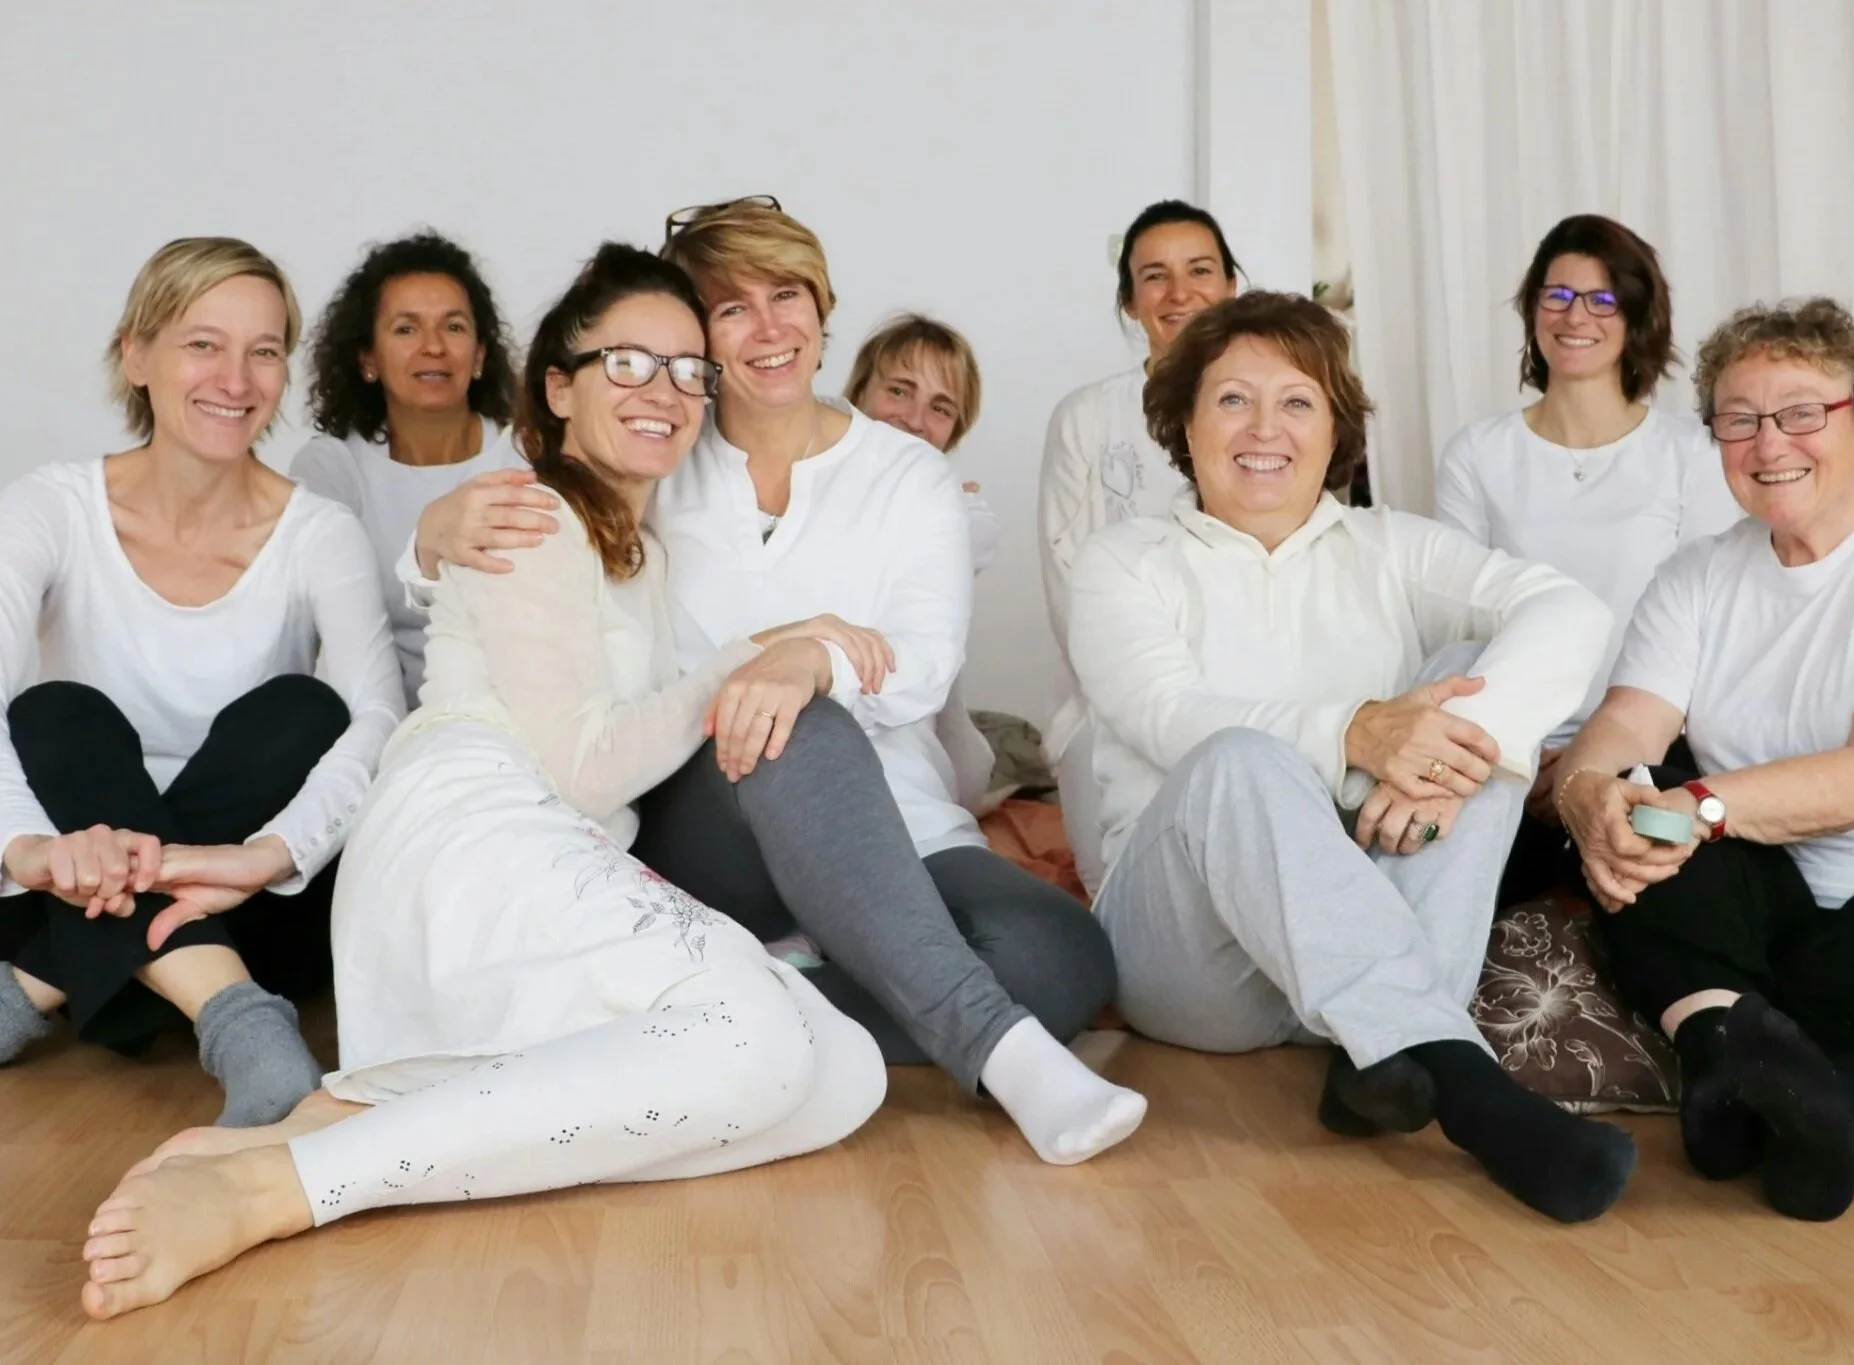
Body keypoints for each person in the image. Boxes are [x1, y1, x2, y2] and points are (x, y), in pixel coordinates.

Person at [75, 244, 888, 1321]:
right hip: (475, 825)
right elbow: (582, 761)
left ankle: (339, 1125)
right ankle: (286, 1188)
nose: (669, 393)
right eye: (631, 363)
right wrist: (747, 657)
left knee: (842, 1069)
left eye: (690, 370)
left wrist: (772, 641)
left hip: (544, 852)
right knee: (757, 1042)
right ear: (557, 386)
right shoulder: (531, 514)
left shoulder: (634, 552)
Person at [407, 198, 1141, 1167]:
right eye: (730, 308)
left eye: (786, 296)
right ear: (697, 337)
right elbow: (536, 534)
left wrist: (815, 658)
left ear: (823, 309)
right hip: (705, 821)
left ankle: (734, 1004)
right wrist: (426, 543)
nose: (768, 329)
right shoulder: (659, 448)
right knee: (788, 721)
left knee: (1060, 958)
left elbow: (917, 664)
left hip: (904, 826)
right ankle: (994, 1048)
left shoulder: (905, 477)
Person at [1070, 290, 1638, 1224]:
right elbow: (1166, 713)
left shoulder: (1386, 546)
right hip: (1195, 967)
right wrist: (1357, 732)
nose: (1266, 429)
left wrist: (1452, 749)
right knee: (1237, 757)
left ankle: (1378, 1060)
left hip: (1365, 945)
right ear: (1183, 421)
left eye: (1297, 401)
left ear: (1336, 430)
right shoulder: (1126, 561)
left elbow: (1571, 609)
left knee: (1467, 683)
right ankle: (1466, 1086)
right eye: (1232, 400)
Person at [1554, 297, 1854, 1222]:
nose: (1768, 440)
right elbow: (1626, 724)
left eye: (1801, 412)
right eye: (1738, 419)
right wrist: (1590, 797)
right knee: (1639, 809)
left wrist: (1692, 808)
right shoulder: (1697, 575)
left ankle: (1839, 1120)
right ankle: (1718, 1063)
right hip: (1780, 889)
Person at [0, 238, 403, 1126]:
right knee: (55, 711)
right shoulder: (49, 509)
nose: (238, 376)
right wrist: (30, 849)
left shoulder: (319, 534)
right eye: (202, 343)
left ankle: (34, 984)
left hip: (253, 904)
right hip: (73, 878)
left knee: (306, 710)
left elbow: (381, 718)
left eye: (264, 350)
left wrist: (266, 855)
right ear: (134, 354)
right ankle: (243, 1024)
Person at [1434, 215, 1741, 902]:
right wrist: (1522, 749)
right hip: (1505, 747)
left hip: (1650, 743)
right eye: (1558, 295)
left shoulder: (1689, 453)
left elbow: (1710, 625)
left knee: (1657, 880)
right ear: (1532, 309)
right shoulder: (1477, 454)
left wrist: (1589, 763)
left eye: (1602, 299)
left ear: (1635, 317)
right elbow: (1456, 627)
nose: (1577, 316)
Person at [1040, 199, 1244, 895]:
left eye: (1200, 270)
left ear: (1231, 286)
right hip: (1108, 710)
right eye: (1154, 276)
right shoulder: (1086, 419)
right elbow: (1067, 589)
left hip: (1248, 703)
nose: (1179, 292)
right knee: (1127, 910)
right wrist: (1152, 704)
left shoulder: (1270, 414)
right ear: (1130, 301)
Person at [289, 231, 525, 707]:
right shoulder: (332, 469)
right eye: (406, 329)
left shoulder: (528, 454)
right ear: (368, 360)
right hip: (383, 726)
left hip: (518, 724)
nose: (434, 347)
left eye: (454, 327)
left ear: (479, 356)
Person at [844, 312, 998, 809]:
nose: (914, 419)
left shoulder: (964, 518)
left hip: (928, 756)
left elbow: (973, 537)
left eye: (940, 407)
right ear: (859, 392)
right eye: (899, 390)